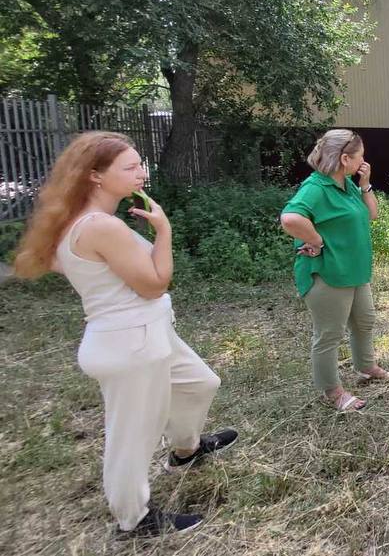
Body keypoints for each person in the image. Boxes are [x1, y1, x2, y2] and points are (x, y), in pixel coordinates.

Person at [12, 132, 235, 538]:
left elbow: (67, 265)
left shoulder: (75, 218)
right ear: (95, 176)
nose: (142, 173)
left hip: (139, 332)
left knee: (202, 382)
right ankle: (133, 519)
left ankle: (185, 450)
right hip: (132, 343)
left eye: (141, 163)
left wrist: (102, 300)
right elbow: (154, 284)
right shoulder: (100, 226)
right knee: (131, 437)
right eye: (130, 167)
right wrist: (163, 231)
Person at [279, 129, 389, 412]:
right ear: (344, 158)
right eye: (360, 156)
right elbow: (290, 218)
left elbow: (372, 214)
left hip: (354, 270)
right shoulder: (316, 187)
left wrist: (365, 184)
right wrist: (316, 240)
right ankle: (332, 391)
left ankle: (366, 367)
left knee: (364, 321)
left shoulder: (346, 184)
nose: (364, 160)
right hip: (328, 273)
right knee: (329, 334)